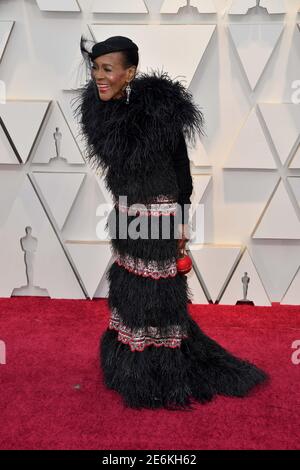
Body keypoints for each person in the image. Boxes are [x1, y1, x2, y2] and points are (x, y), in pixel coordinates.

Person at [72, 35, 269, 410]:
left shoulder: (160, 111)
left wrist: (181, 217)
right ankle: (129, 360)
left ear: (129, 73)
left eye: (108, 69)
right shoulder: (102, 113)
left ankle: (159, 367)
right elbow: (116, 161)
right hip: (127, 212)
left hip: (159, 214)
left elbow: (180, 165)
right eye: (95, 68)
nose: (99, 76)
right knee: (129, 284)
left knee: (158, 294)